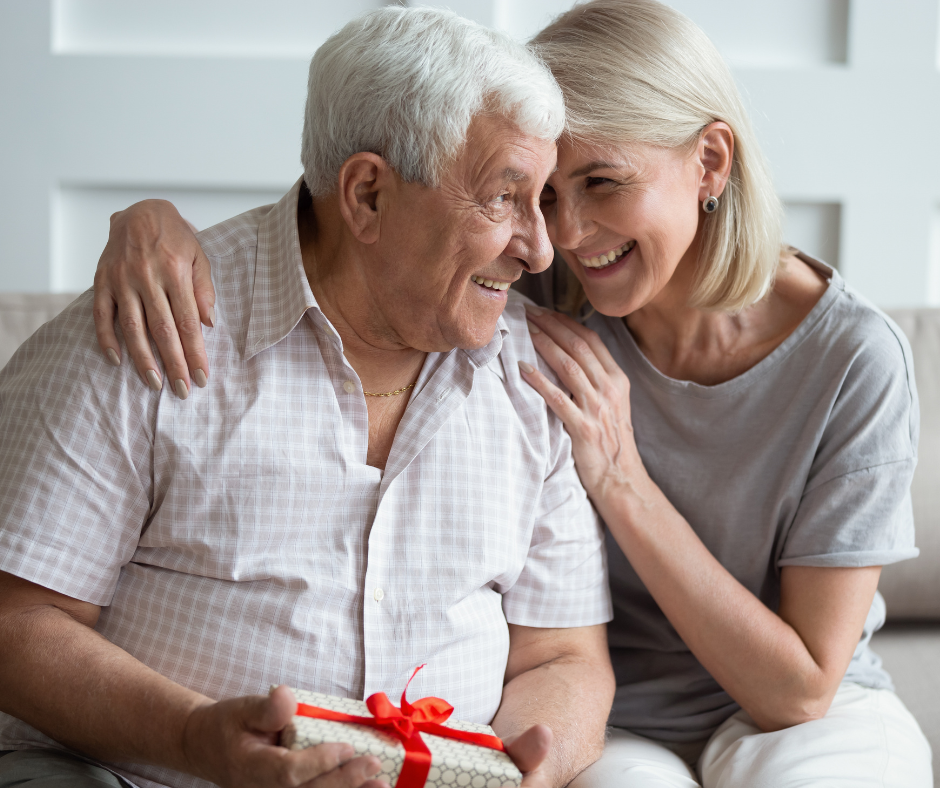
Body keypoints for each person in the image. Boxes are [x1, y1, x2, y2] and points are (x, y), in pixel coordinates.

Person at [87, 1, 933, 786]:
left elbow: (800, 692)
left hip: (804, 716)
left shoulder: (854, 359)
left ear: (709, 161)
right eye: (542, 194)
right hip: (618, 715)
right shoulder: (536, 298)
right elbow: (355, 230)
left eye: (603, 183)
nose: (563, 235)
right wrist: (152, 221)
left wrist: (619, 478)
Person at [0, 8, 618, 788]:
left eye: (544, 201)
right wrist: (193, 739)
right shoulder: (151, 324)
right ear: (366, 194)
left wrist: (520, 768)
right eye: (504, 198)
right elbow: (18, 622)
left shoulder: (535, 373)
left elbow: (565, 655)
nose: (539, 247)